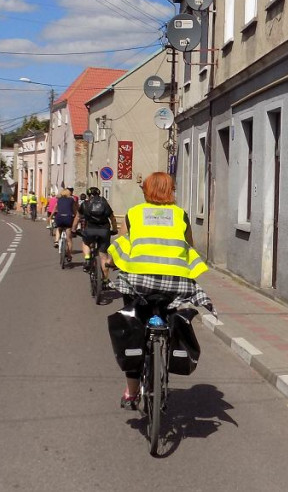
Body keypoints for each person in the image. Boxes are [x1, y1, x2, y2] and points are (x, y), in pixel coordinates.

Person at [108, 171, 213, 410]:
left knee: (133, 327)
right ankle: (168, 344)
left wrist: (110, 262)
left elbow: (125, 245)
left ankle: (131, 392)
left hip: (139, 283)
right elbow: (189, 247)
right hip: (173, 284)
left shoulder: (134, 214)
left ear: (146, 191)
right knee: (171, 315)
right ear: (171, 191)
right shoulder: (181, 215)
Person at [74, 187, 117, 284]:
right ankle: (105, 280)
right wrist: (114, 229)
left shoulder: (85, 204)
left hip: (90, 230)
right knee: (103, 257)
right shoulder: (105, 204)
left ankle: (87, 258)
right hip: (104, 231)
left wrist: (74, 229)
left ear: (88, 195)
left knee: (85, 242)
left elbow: (77, 218)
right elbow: (112, 218)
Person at [52, 188, 77, 260]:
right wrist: (76, 217)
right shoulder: (72, 200)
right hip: (68, 219)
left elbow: (55, 208)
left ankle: (56, 241)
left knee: (59, 228)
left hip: (59, 218)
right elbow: (74, 210)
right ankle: (69, 255)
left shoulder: (59, 200)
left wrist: (50, 216)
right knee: (69, 239)